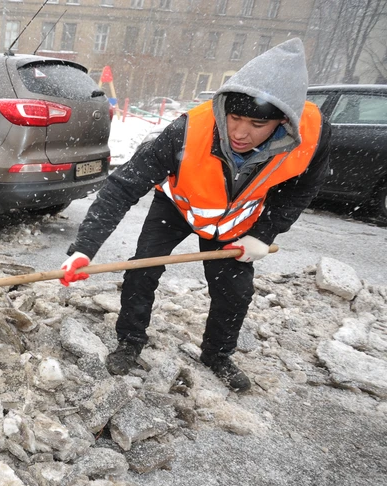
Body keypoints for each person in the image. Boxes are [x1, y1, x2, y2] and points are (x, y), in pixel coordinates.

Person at [59, 38, 330, 392]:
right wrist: (85, 247)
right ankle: (130, 340)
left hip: (235, 222)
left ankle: (217, 355)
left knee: (235, 290)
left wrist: (264, 234)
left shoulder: (312, 133)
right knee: (142, 268)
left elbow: (302, 188)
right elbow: (122, 187)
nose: (240, 132)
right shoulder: (188, 131)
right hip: (178, 206)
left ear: (283, 122)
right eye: (234, 118)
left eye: (256, 124)